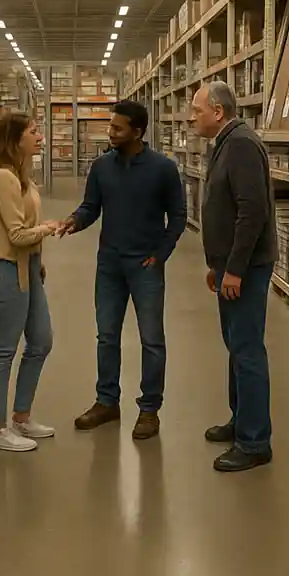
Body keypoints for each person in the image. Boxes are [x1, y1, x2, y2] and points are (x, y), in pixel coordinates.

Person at [58, 99, 187, 440]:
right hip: (110, 264)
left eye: (117, 128)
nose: (110, 132)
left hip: (145, 264)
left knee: (151, 339)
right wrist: (74, 221)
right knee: (107, 336)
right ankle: (107, 402)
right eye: (110, 126)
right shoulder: (102, 167)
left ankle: (149, 410)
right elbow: (91, 207)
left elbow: (178, 217)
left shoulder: (163, 169)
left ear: (138, 131)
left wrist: (160, 255)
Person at [191, 81, 278, 472]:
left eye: (196, 111)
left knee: (246, 350)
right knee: (236, 346)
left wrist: (236, 269)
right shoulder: (226, 142)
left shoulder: (241, 144)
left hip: (246, 268)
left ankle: (255, 441)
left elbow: (252, 211)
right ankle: (241, 420)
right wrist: (218, 265)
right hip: (229, 267)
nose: (192, 117)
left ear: (218, 112)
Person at [0, 112, 61, 453]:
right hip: (5, 268)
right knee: (5, 349)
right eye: (33, 131)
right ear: (15, 140)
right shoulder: (2, 178)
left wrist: (39, 259)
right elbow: (16, 233)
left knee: (41, 340)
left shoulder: (21, 175)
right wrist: (49, 228)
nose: (39, 136)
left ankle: (21, 416)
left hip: (27, 266)